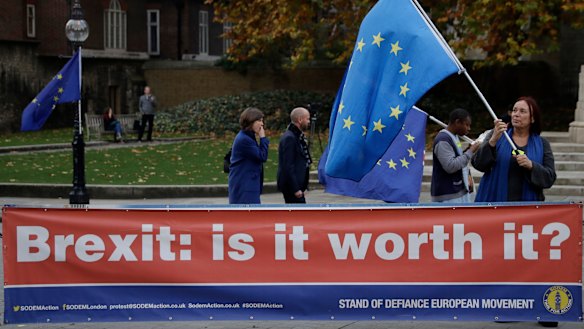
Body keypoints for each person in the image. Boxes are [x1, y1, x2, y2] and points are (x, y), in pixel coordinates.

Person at [472, 96, 556, 202]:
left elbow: (549, 178)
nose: (516, 114)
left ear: (533, 118)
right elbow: (478, 164)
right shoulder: (497, 134)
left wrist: (531, 166)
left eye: (522, 111)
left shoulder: (543, 144)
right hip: (495, 203)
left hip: (527, 208)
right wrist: (492, 142)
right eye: (514, 110)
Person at [431, 108, 479, 203]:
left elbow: (457, 157)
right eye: (466, 125)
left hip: (458, 191)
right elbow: (450, 166)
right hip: (448, 196)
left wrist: (468, 175)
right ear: (457, 122)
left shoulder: (454, 136)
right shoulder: (443, 140)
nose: (469, 129)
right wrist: (470, 151)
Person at [228, 107, 269, 204]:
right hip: (244, 186)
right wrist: (263, 138)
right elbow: (262, 156)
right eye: (259, 121)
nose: (262, 124)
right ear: (251, 121)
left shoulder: (248, 137)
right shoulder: (244, 139)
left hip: (248, 184)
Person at [277, 107, 312, 203]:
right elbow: (288, 165)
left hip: (299, 185)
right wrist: (295, 188)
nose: (309, 121)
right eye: (307, 119)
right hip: (291, 187)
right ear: (300, 120)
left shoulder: (297, 136)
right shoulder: (290, 138)